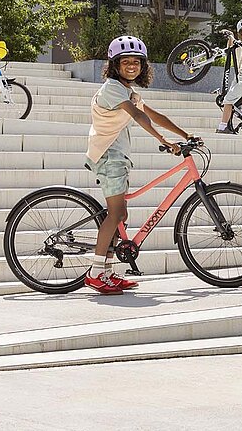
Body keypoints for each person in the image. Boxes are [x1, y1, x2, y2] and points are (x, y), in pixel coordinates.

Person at [84, 36, 195, 294]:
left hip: (118, 157)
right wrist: (163, 140)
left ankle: (107, 272)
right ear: (115, 65)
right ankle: (95, 272)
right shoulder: (112, 89)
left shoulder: (128, 92)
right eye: (126, 62)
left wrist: (185, 135)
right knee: (115, 215)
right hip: (108, 156)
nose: (132, 66)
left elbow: (154, 115)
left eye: (137, 62)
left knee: (121, 215)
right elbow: (138, 116)